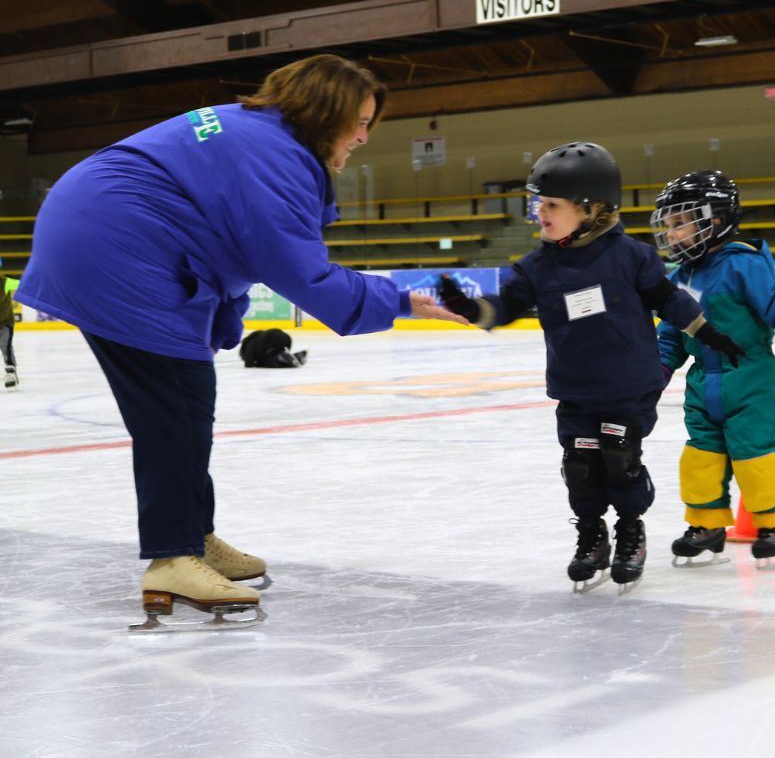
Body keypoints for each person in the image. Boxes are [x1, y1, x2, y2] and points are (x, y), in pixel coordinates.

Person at [16, 54, 465, 625]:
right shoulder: (274, 156)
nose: (362, 137)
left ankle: (192, 537)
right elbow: (300, 271)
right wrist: (400, 301)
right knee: (174, 407)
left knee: (184, 402)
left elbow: (227, 242)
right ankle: (172, 556)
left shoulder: (255, 133)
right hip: (118, 247)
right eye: (358, 121)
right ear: (322, 110)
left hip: (107, 233)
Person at [437, 142, 743, 591]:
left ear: (589, 208)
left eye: (551, 205)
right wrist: (470, 307)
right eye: (538, 203)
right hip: (576, 390)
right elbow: (504, 307)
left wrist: (707, 332)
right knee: (580, 466)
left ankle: (631, 531)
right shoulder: (536, 268)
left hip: (627, 387)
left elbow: (667, 299)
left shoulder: (631, 256)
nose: (540, 213)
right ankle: (591, 536)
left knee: (619, 461)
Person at [651, 171, 775, 568]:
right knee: (700, 456)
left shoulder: (743, 265)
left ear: (716, 221)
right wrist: (656, 371)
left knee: (756, 453)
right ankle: (706, 525)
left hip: (748, 377)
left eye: (680, 223)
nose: (671, 234)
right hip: (701, 381)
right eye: (668, 225)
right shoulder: (680, 277)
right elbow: (671, 333)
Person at [0, 270, 17, 389]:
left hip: (5, 322)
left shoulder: (5, 282)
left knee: (5, 346)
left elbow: (24, 284)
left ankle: (11, 372)